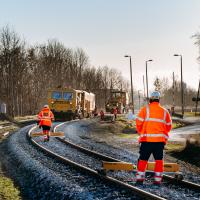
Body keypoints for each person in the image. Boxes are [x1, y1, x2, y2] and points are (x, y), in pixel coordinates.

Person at [135, 91, 172, 185]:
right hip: (159, 142)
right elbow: (169, 126)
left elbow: (138, 123)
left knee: (143, 160)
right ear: (159, 99)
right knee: (159, 161)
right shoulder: (165, 111)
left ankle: (140, 180)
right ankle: (158, 180)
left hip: (146, 141)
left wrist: (141, 132)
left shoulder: (145, 109)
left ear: (150, 99)